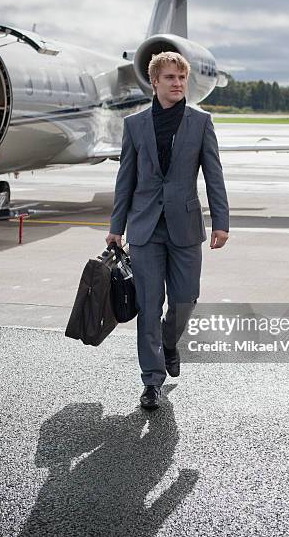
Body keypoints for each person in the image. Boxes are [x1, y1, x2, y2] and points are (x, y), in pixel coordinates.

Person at [106, 51, 229, 409]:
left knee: (185, 301)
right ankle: (152, 382)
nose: (177, 84)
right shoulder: (135, 125)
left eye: (181, 78)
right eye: (170, 78)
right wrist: (116, 226)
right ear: (154, 82)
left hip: (185, 226)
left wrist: (220, 220)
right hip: (144, 228)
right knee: (148, 305)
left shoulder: (200, 122)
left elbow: (214, 174)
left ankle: (170, 340)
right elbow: (124, 179)